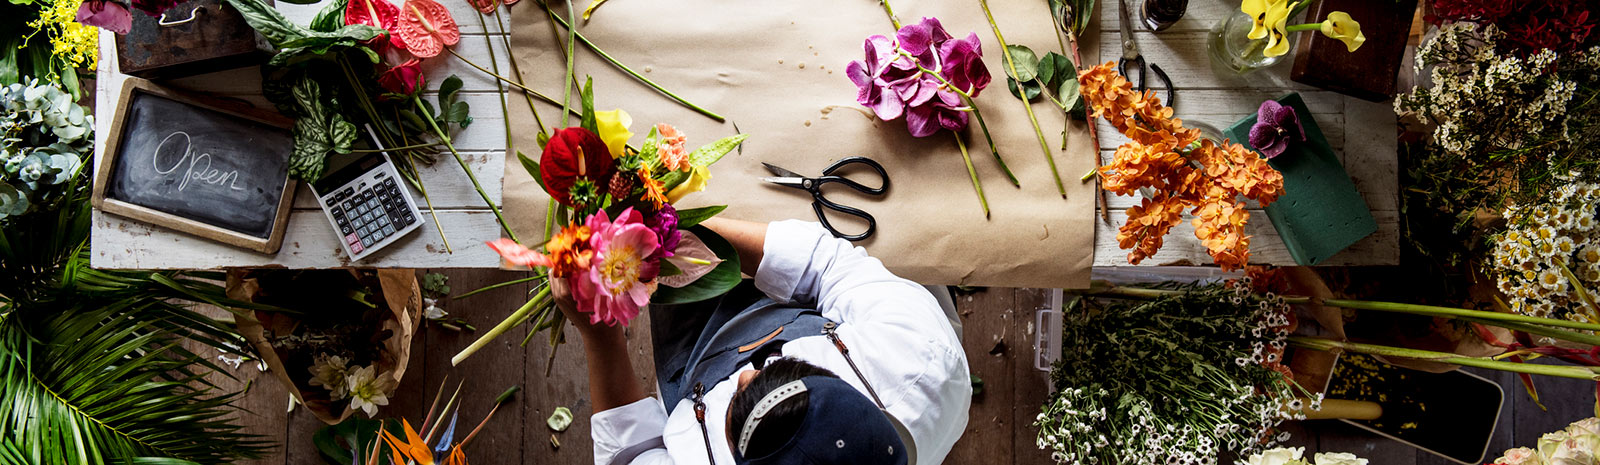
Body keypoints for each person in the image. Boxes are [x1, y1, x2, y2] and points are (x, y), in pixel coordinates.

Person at [550, 218, 970, 465]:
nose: (742, 375)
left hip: (693, 369)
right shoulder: (922, 357)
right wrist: (676, 231)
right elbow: (826, 265)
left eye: (735, 406)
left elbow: (630, 453)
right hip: (796, 309)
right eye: (774, 370)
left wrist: (598, 335)